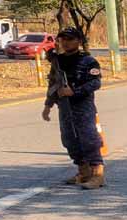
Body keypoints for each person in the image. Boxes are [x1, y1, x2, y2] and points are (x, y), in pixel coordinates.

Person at [42, 27, 106, 190]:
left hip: (82, 105)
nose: (66, 42)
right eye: (63, 39)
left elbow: (95, 82)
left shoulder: (88, 61)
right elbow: (53, 83)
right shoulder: (58, 61)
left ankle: (97, 174)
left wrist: (74, 91)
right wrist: (48, 105)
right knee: (69, 139)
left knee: (89, 138)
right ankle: (83, 172)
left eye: (70, 39)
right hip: (64, 106)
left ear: (78, 41)